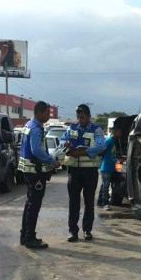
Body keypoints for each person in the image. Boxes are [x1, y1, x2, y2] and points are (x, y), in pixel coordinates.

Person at [18, 101, 61, 249]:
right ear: (39, 112)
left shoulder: (28, 125)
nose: (48, 116)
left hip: (28, 170)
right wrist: (52, 161)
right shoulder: (36, 129)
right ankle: (30, 238)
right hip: (35, 172)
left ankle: (25, 235)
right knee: (34, 205)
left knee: (29, 204)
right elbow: (36, 150)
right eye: (47, 113)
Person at [60, 104, 105, 242]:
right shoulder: (72, 128)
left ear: (88, 116)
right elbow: (62, 140)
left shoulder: (96, 130)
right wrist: (65, 144)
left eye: (83, 117)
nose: (80, 119)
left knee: (89, 201)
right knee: (73, 202)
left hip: (90, 171)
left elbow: (100, 146)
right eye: (78, 117)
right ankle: (73, 231)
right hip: (74, 170)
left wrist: (83, 151)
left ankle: (87, 230)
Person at [97, 126, 122, 210]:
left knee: (104, 185)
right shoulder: (109, 141)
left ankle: (99, 202)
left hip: (109, 167)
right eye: (119, 132)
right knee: (106, 186)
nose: (120, 134)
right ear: (114, 131)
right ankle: (105, 203)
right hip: (106, 167)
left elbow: (112, 154)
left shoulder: (114, 141)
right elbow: (102, 151)